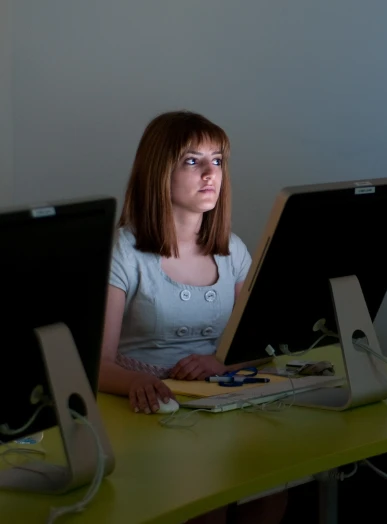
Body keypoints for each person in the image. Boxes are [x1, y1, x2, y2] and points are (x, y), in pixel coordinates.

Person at [98, 111, 287, 524]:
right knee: (206, 501)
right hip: (146, 413)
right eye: (192, 161)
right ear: (158, 170)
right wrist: (140, 382)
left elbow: (257, 346)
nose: (209, 173)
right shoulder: (124, 252)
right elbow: (96, 365)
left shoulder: (232, 250)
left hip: (221, 403)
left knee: (272, 489)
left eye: (217, 161)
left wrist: (222, 364)